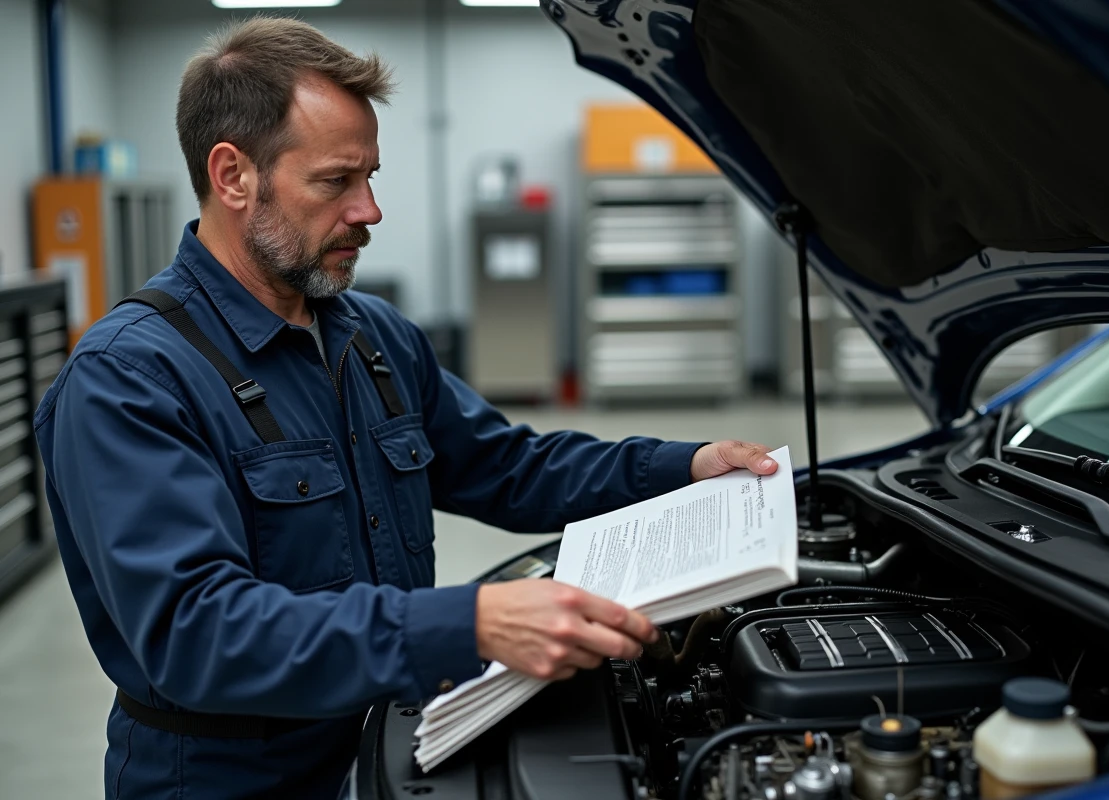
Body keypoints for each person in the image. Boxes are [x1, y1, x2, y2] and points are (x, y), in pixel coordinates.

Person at [33, 16, 780, 800]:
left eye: (372, 177)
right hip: (236, 781)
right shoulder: (130, 378)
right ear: (233, 176)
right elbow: (197, 632)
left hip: (393, 746)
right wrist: (469, 625)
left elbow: (507, 465)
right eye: (335, 182)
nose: (370, 211)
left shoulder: (371, 335)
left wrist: (683, 467)